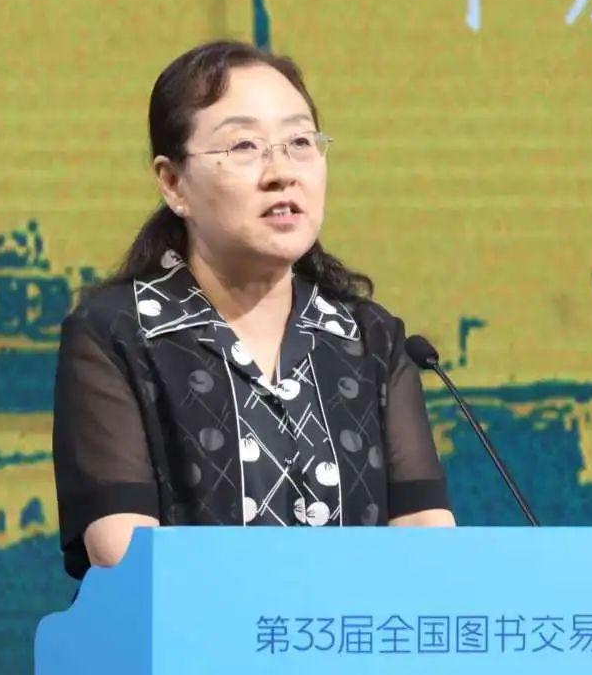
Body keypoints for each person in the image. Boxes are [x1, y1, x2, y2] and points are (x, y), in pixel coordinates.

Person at [51, 40, 455, 580]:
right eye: (244, 146)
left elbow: (426, 538)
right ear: (173, 183)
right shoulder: (117, 334)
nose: (281, 172)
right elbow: (122, 551)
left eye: (300, 142)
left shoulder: (370, 339)